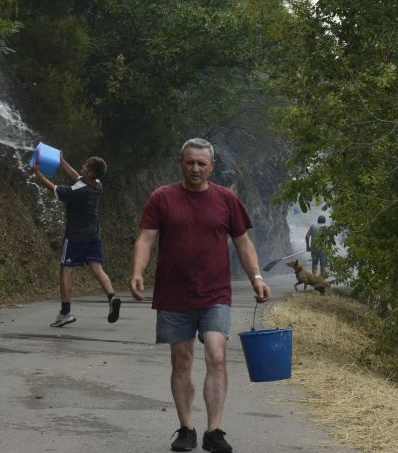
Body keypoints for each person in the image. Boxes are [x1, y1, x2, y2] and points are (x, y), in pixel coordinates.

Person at [129, 138, 271, 453]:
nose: (195, 168)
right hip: (174, 293)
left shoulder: (226, 199)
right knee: (182, 360)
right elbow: (146, 238)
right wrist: (137, 273)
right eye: (190, 162)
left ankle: (214, 431)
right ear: (181, 162)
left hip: (215, 293)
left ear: (212, 167)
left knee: (217, 355)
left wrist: (257, 278)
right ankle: (186, 429)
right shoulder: (162, 198)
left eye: (201, 163)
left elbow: (243, 242)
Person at [31, 153, 121, 328]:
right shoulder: (97, 185)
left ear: (90, 173)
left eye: (86, 165)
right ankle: (112, 297)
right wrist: (62, 160)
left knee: (66, 270)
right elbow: (75, 176)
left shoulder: (77, 192)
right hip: (94, 236)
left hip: (76, 237)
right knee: (97, 268)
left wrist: (37, 173)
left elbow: (54, 188)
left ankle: (65, 313)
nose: (83, 165)